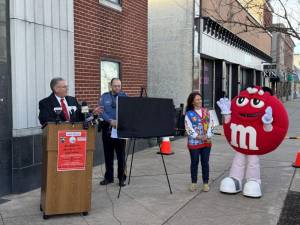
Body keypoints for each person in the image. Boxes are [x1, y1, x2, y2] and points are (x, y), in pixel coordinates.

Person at [99, 78, 127, 187]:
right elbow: (101, 111)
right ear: (111, 86)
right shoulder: (104, 96)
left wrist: (119, 121)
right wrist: (110, 121)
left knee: (121, 155)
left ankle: (121, 178)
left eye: (119, 86)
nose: (117, 88)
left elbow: (128, 110)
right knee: (108, 154)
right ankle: (109, 177)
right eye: (115, 86)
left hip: (120, 128)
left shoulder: (124, 96)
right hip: (108, 128)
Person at [185, 92, 213, 192]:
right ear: (192, 102)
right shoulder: (189, 114)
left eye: (200, 99)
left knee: (205, 162)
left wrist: (208, 135)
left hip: (207, 142)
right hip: (194, 143)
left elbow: (211, 124)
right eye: (197, 99)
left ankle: (206, 183)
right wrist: (199, 137)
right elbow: (188, 129)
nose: (200, 101)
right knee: (194, 162)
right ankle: (193, 183)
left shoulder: (206, 112)